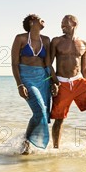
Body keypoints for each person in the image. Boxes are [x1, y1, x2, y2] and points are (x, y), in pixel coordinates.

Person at [50, 15, 86, 150]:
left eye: (65, 24)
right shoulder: (56, 41)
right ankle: (56, 148)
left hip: (79, 81)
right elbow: (48, 64)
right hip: (62, 82)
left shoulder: (83, 44)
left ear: (74, 24)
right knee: (59, 119)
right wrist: (54, 82)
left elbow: (84, 68)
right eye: (61, 24)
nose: (62, 26)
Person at [11, 14, 57, 154]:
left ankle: (26, 145)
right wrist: (19, 85)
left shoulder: (46, 40)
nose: (43, 19)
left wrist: (54, 82)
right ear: (32, 22)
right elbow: (14, 63)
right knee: (39, 110)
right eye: (40, 18)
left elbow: (48, 63)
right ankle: (27, 142)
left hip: (43, 78)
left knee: (43, 113)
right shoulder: (20, 38)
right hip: (27, 77)